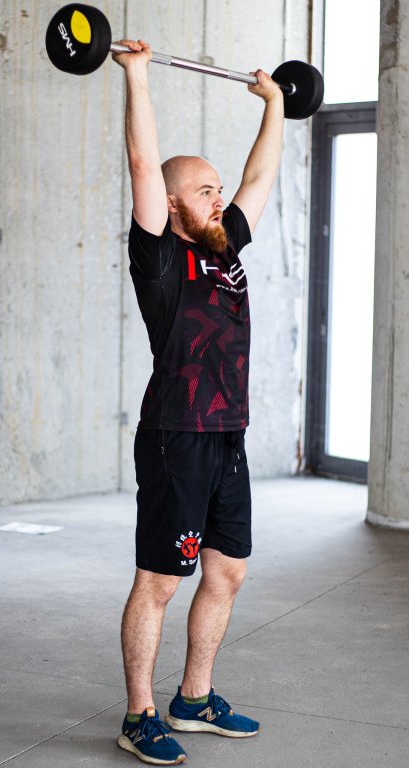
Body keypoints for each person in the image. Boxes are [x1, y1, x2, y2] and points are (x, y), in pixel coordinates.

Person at [111, 38, 285, 766]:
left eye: (217, 187)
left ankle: (194, 697)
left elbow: (259, 175)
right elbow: (142, 164)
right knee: (160, 580)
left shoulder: (224, 246)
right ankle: (139, 714)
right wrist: (138, 78)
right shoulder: (160, 258)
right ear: (174, 203)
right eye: (205, 189)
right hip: (175, 435)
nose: (220, 196)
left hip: (226, 434)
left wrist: (275, 105)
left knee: (227, 572)